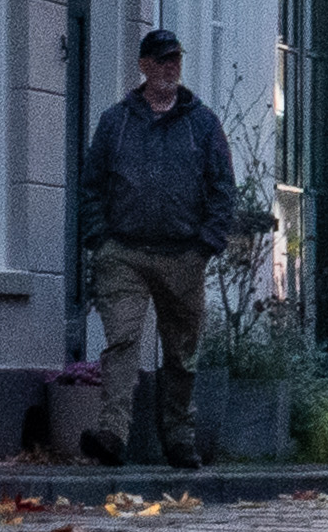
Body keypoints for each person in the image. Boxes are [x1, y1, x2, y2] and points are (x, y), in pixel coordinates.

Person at [81, 28, 240, 471]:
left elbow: (222, 188)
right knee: (122, 342)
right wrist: (101, 240)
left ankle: (179, 438)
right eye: (162, 60)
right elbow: (91, 185)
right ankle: (113, 433)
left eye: (176, 60)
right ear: (143, 66)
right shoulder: (116, 121)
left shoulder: (202, 123)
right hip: (124, 254)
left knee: (182, 352)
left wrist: (206, 244)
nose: (171, 67)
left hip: (183, 254)